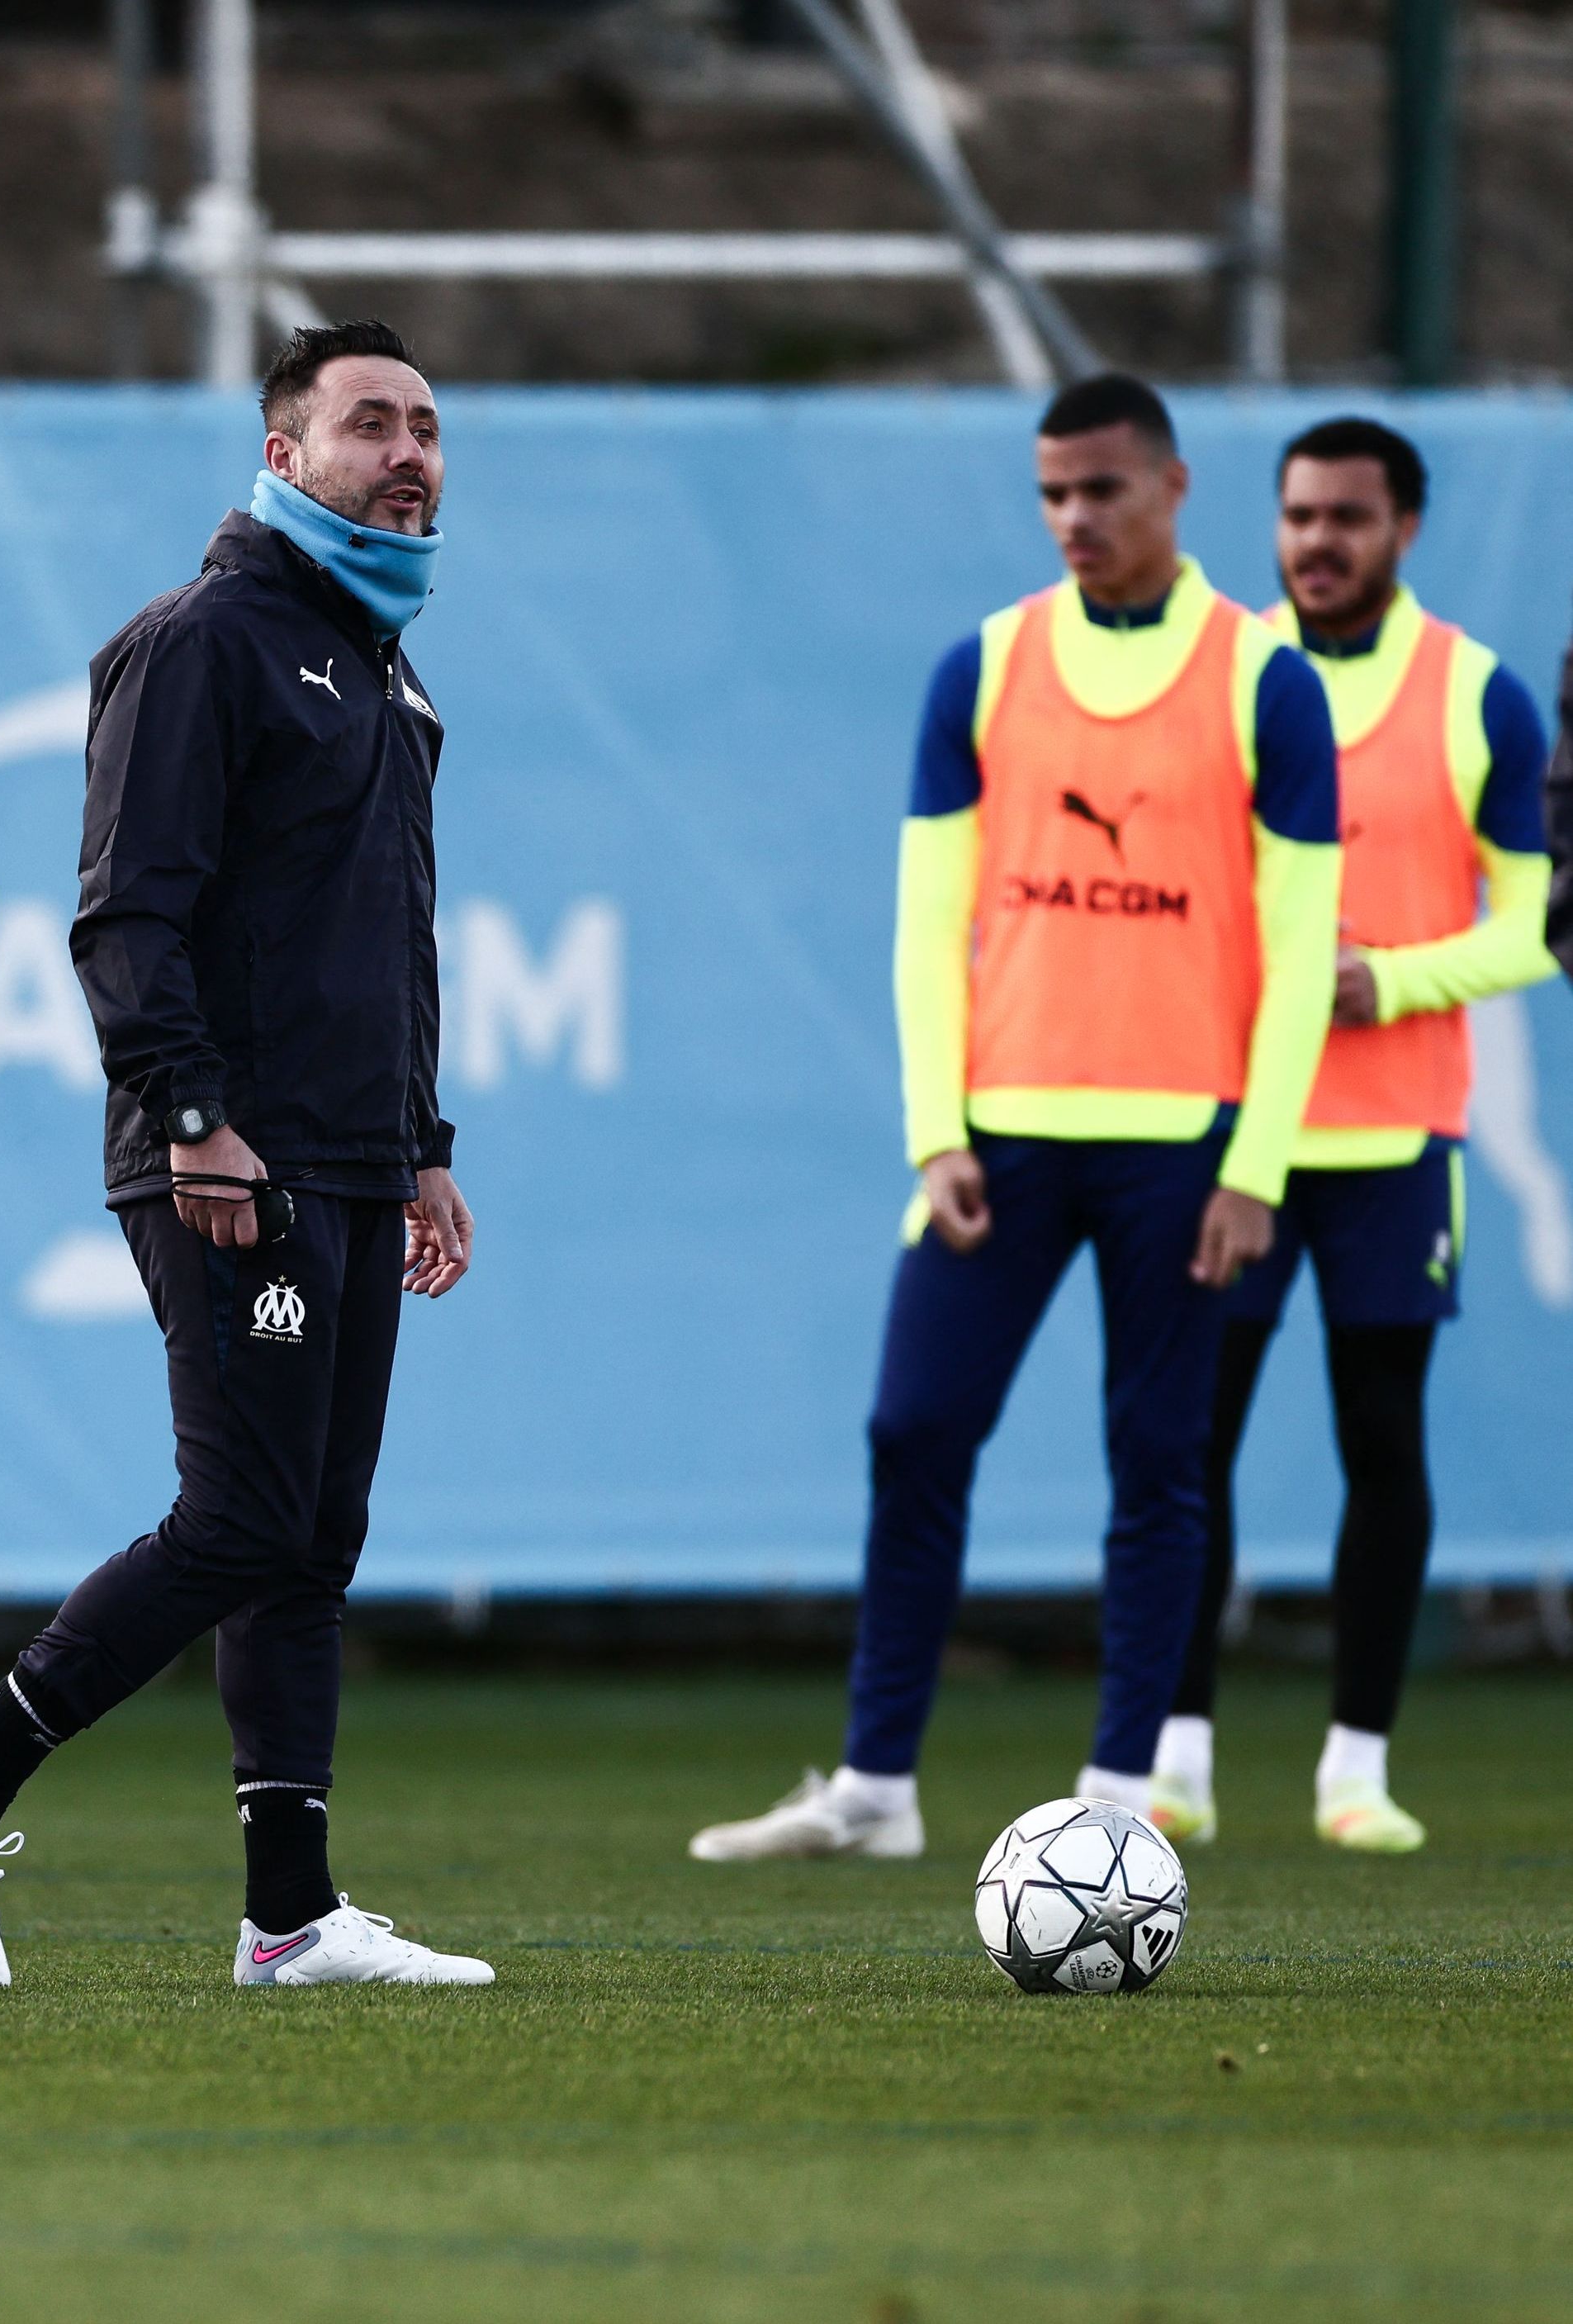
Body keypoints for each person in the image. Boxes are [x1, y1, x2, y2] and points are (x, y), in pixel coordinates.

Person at [0, 320, 485, 1990]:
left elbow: (387, 939)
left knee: (310, 1539)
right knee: (238, 1520)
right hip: (232, 1165)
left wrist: (419, 1143)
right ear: (286, 459)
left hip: (352, 1161)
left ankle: (289, 1918)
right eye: (371, 425)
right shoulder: (201, 640)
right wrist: (197, 1120)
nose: (409, 452)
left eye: (426, 427)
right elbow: (127, 918)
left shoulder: (383, 662)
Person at [693, 374, 1341, 1864]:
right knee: (914, 1427)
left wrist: (1259, 1164)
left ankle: (1121, 1802)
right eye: (1054, 493)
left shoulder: (1266, 680)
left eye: (1104, 490)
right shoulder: (982, 670)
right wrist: (939, 1129)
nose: (1075, 519)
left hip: (1187, 1142)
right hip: (1002, 1135)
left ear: (1177, 489)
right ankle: (875, 1789)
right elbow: (929, 925)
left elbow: (1306, 948)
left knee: (1159, 1462)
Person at [1152, 419, 1553, 1853]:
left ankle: (1355, 1766)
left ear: (1407, 529)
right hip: (1232, 1129)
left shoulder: (1478, 700)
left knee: (1381, 1436)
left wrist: (1390, 977)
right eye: (1300, 516)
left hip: (1394, 1142)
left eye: (1351, 519)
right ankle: (1177, 1757)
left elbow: (1539, 925)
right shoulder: (1226, 677)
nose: (1319, 542)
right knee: (1194, 1439)